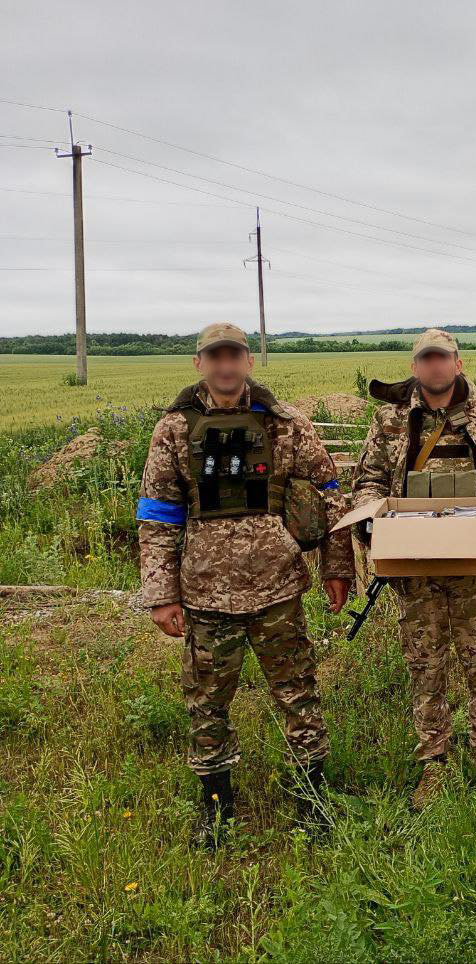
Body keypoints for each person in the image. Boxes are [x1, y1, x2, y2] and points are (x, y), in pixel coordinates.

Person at [136, 322, 354, 847]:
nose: (225, 365)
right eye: (214, 357)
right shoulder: (173, 430)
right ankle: (217, 810)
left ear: (249, 361)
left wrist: (336, 567)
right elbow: (158, 515)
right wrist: (161, 594)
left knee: (298, 694)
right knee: (207, 703)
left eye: (233, 355)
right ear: (199, 365)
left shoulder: (286, 424)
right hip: (206, 593)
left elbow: (331, 495)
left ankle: (313, 801)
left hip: (278, 587)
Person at [352, 329, 476, 807]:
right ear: (414, 367)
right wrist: (373, 519)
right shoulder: (390, 420)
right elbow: (367, 480)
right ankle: (434, 763)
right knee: (425, 666)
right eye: (426, 359)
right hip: (415, 567)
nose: (435, 367)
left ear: (458, 361)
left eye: (443, 358)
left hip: (474, 566)